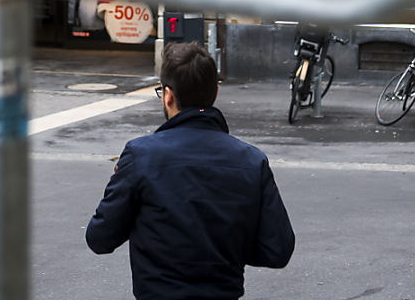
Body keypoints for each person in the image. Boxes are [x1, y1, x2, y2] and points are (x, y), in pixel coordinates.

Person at [86, 41, 295, 300]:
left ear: (168, 95)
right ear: (215, 94)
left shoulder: (140, 156)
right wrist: (228, 247)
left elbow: (100, 238)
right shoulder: (252, 161)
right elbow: (278, 250)